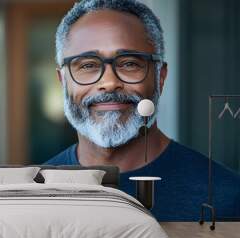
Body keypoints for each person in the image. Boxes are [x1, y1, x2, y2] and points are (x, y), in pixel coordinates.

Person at [44, 0, 240, 221]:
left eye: (129, 63)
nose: (109, 82)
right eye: (88, 65)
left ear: (160, 77)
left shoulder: (229, 198)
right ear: (63, 81)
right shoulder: (31, 197)